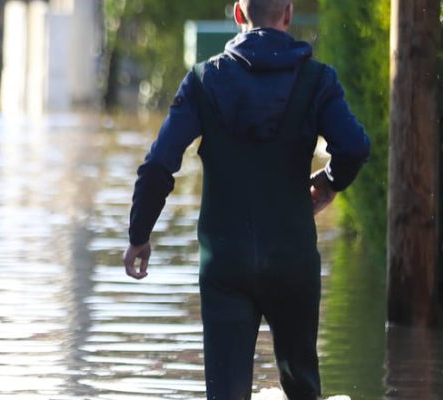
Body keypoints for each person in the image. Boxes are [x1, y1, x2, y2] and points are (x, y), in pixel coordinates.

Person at [122, 1, 371, 399]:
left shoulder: (204, 81)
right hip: (292, 259)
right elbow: (355, 146)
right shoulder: (317, 80)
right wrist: (328, 183)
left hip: (225, 264)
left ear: (239, 14)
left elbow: (158, 165)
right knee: (302, 388)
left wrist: (139, 234)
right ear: (287, 14)